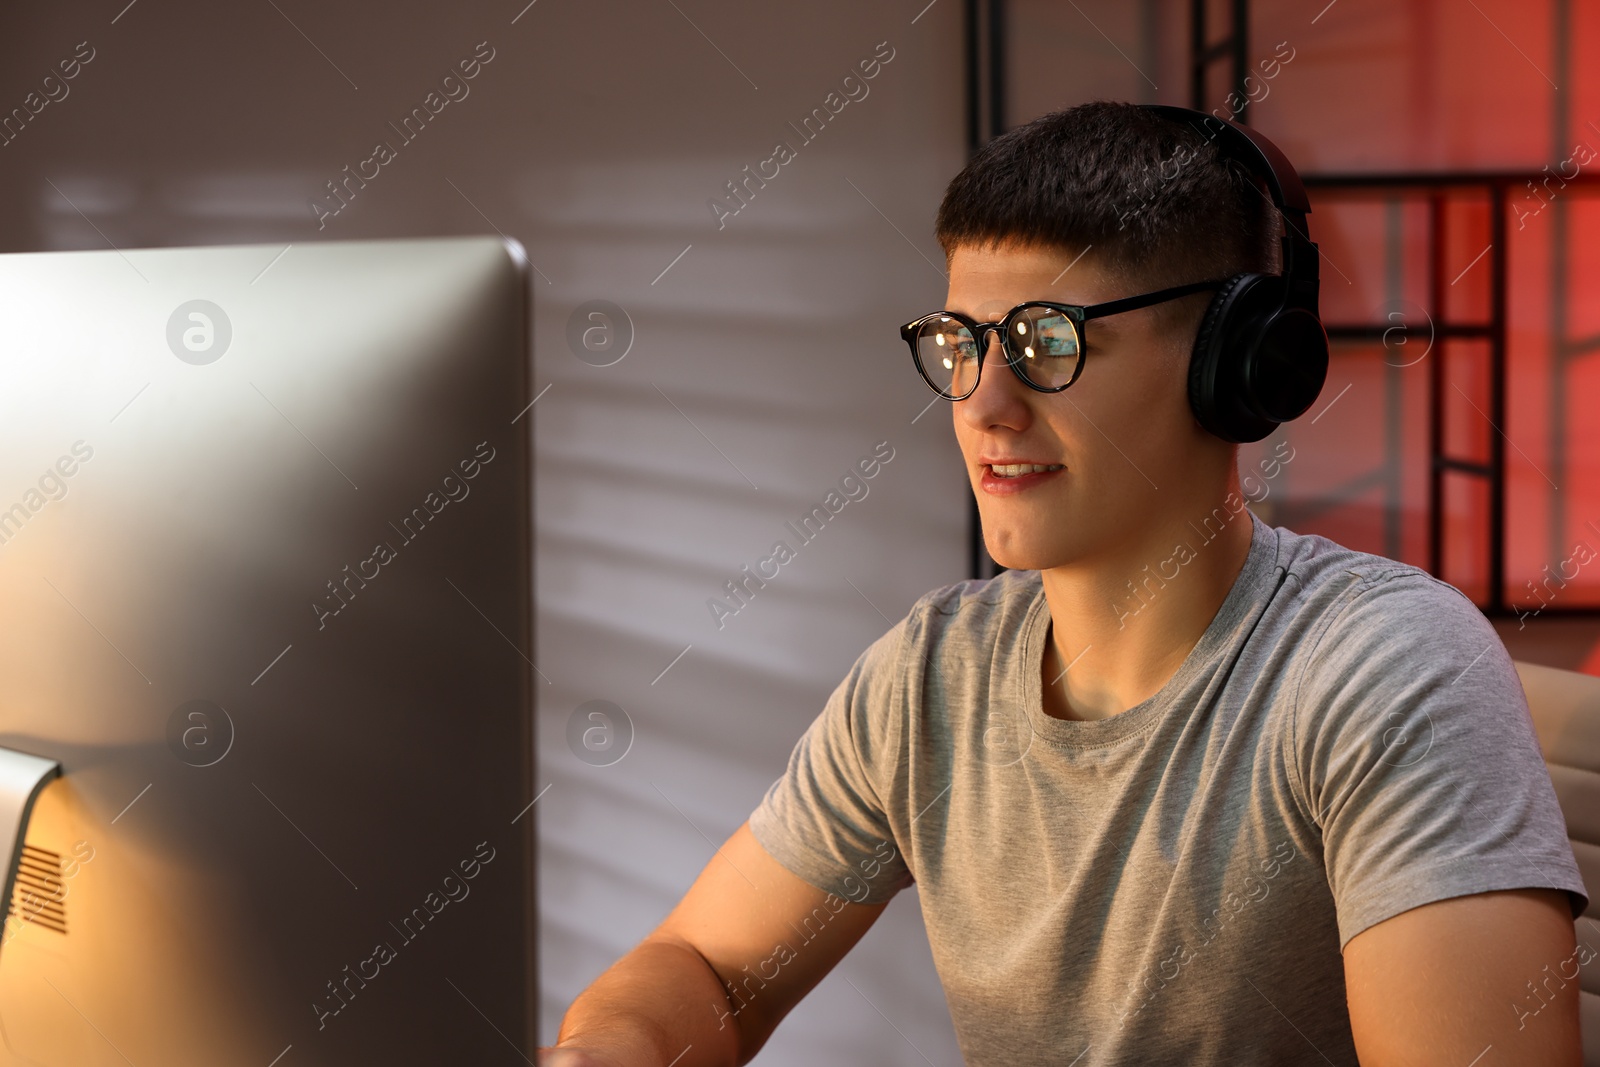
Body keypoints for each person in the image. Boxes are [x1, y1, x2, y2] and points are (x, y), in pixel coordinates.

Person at [539, 101, 1590, 1067]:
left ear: (1234, 357)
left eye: (1046, 340)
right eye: (959, 341)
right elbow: (706, 966)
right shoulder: (929, 675)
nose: (983, 403)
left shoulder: (1385, 668)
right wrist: (607, 1051)